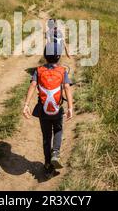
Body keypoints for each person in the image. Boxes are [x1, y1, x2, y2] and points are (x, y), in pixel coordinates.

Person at [22, 43, 74, 178]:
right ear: (59, 57)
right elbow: (67, 88)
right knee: (58, 130)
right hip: (57, 110)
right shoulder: (63, 71)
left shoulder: (38, 71)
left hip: (43, 110)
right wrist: (70, 107)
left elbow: (33, 86)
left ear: (45, 56)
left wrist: (26, 104)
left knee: (46, 136)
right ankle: (55, 153)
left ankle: (47, 165)